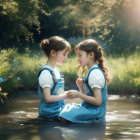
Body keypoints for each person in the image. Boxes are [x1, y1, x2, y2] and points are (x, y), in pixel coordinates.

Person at [59, 39, 111, 123]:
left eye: (80, 55)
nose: (78, 59)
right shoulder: (92, 71)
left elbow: (98, 102)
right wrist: (81, 88)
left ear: (91, 55)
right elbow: (88, 97)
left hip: (95, 112)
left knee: (64, 115)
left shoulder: (95, 74)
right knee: (66, 108)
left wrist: (78, 94)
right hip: (90, 108)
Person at [38, 36, 71, 120]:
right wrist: (65, 95)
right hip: (50, 112)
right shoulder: (46, 73)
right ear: (53, 52)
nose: (66, 58)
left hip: (59, 108)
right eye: (64, 54)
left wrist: (68, 94)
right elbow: (48, 98)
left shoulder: (56, 70)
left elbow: (58, 94)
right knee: (76, 117)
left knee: (77, 110)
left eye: (66, 55)